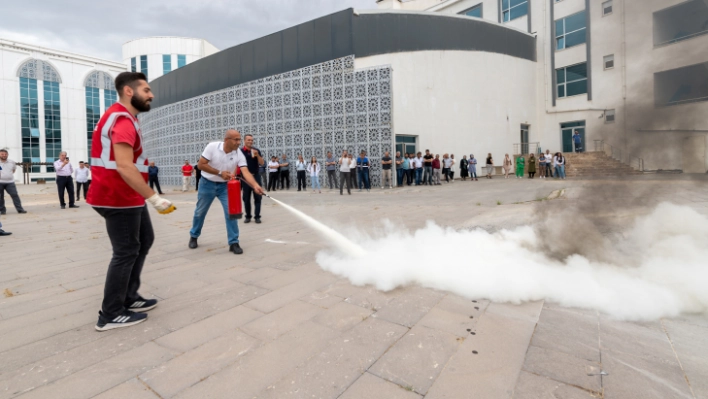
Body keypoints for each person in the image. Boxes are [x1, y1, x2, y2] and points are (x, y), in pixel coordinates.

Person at [87, 71, 175, 331]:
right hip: (117, 196)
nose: (151, 94)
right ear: (129, 91)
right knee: (125, 252)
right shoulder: (123, 120)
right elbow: (125, 167)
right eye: (146, 90)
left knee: (144, 240)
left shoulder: (126, 118)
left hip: (127, 196)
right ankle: (111, 313)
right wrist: (154, 197)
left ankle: (129, 296)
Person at [188, 129, 264, 254]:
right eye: (236, 140)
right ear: (227, 140)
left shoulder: (238, 153)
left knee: (232, 212)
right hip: (207, 184)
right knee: (200, 212)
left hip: (225, 187)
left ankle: (234, 242)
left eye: (240, 139)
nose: (239, 142)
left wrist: (255, 185)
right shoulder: (212, 147)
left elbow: (245, 171)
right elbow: (201, 165)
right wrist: (219, 173)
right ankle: (194, 236)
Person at [241, 134, 264, 224]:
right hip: (245, 178)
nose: (250, 141)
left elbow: (262, 163)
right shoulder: (240, 151)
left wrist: (257, 155)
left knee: (258, 196)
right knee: (246, 198)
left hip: (256, 176)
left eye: (252, 140)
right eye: (248, 140)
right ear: (244, 141)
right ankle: (248, 216)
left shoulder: (256, 150)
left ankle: (257, 216)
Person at [0, 149, 27, 214]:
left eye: (5, 154)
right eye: (2, 154)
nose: (4, 155)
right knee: (0, 197)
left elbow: (13, 170)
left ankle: (20, 209)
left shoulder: (12, 162)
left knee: (14, 195)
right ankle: (2, 210)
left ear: (7, 155)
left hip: (10, 182)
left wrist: (7, 175)